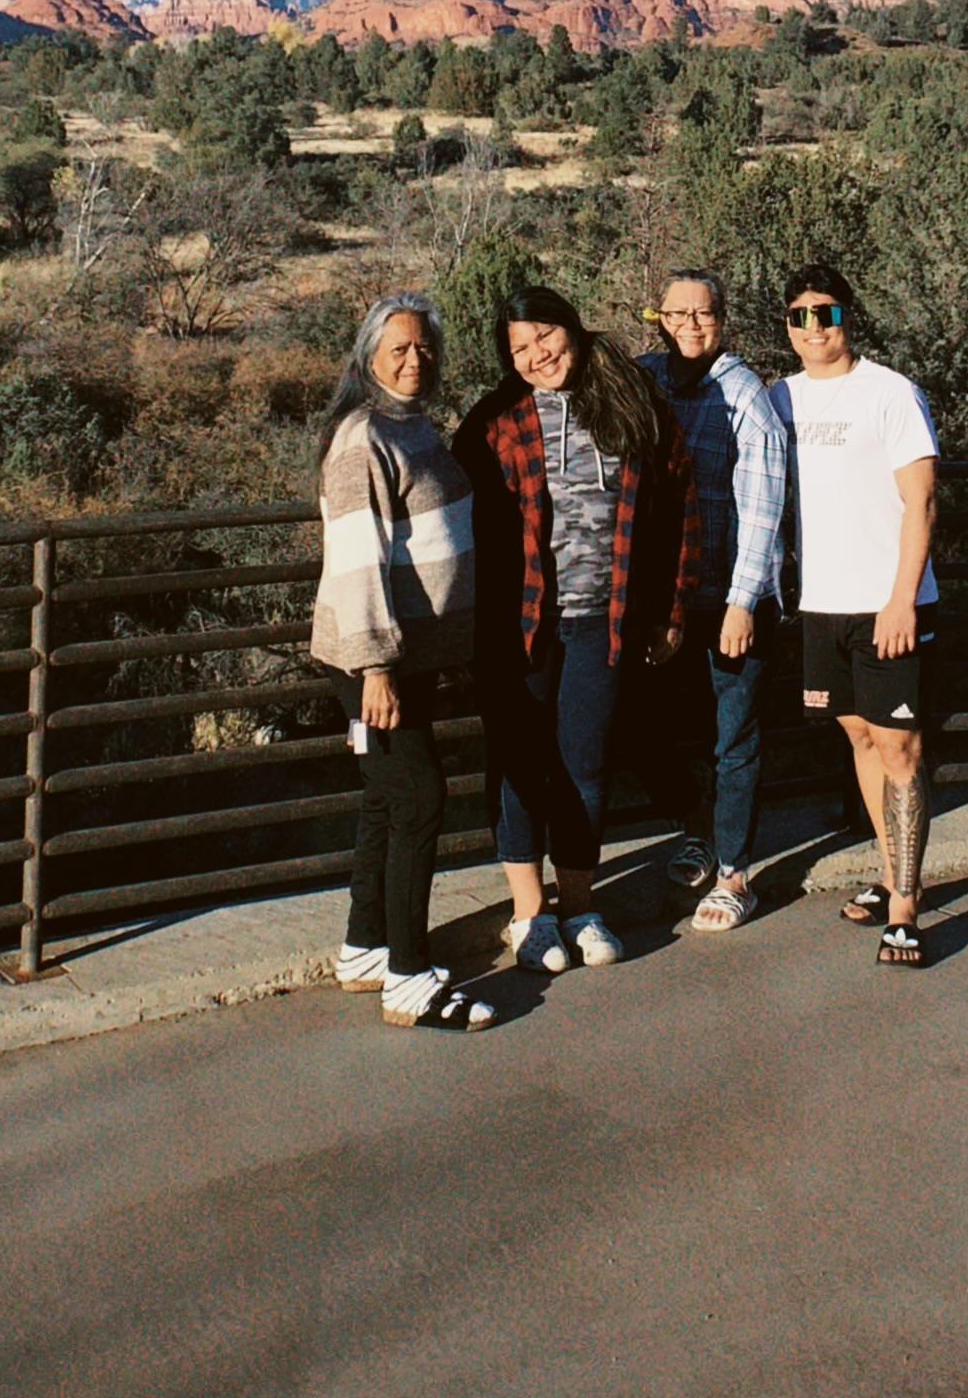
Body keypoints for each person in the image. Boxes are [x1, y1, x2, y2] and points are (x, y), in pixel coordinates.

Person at [456, 286, 702, 975]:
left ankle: (580, 906)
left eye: (546, 338)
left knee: (585, 766)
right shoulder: (496, 421)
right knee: (520, 764)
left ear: (572, 328)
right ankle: (530, 917)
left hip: (606, 619)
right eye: (520, 349)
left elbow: (680, 506)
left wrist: (673, 610)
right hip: (520, 625)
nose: (538, 357)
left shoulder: (634, 403)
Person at [311, 295, 492, 1030]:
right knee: (419, 797)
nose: (415, 361)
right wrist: (376, 668)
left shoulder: (410, 426)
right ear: (367, 359)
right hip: (373, 659)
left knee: (388, 798)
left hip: (408, 657)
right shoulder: (362, 439)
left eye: (424, 349)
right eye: (399, 350)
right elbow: (358, 559)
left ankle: (366, 948)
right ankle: (409, 980)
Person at [770, 262, 939, 970]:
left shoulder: (890, 392)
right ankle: (889, 868)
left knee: (900, 747)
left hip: (887, 604)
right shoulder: (778, 397)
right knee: (860, 739)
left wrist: (901, 598)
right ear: (788, 326)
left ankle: (906, 907)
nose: (814, 327)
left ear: (848, 317)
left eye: (827, 312)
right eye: (801, 315)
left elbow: (922, 500)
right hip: (821, 604)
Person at [638, 268, 788, 930]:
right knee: (668, 729)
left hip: (729, 595)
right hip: (669, 598)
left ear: (723, 320)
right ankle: (698, 830)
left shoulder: (746, 396)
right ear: (660, 320)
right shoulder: (647, 379)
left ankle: (734, 874)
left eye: (705, 314)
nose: (692, 326)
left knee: (734, 736)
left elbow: (763, 509)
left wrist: (743, 602)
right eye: (679, 314)